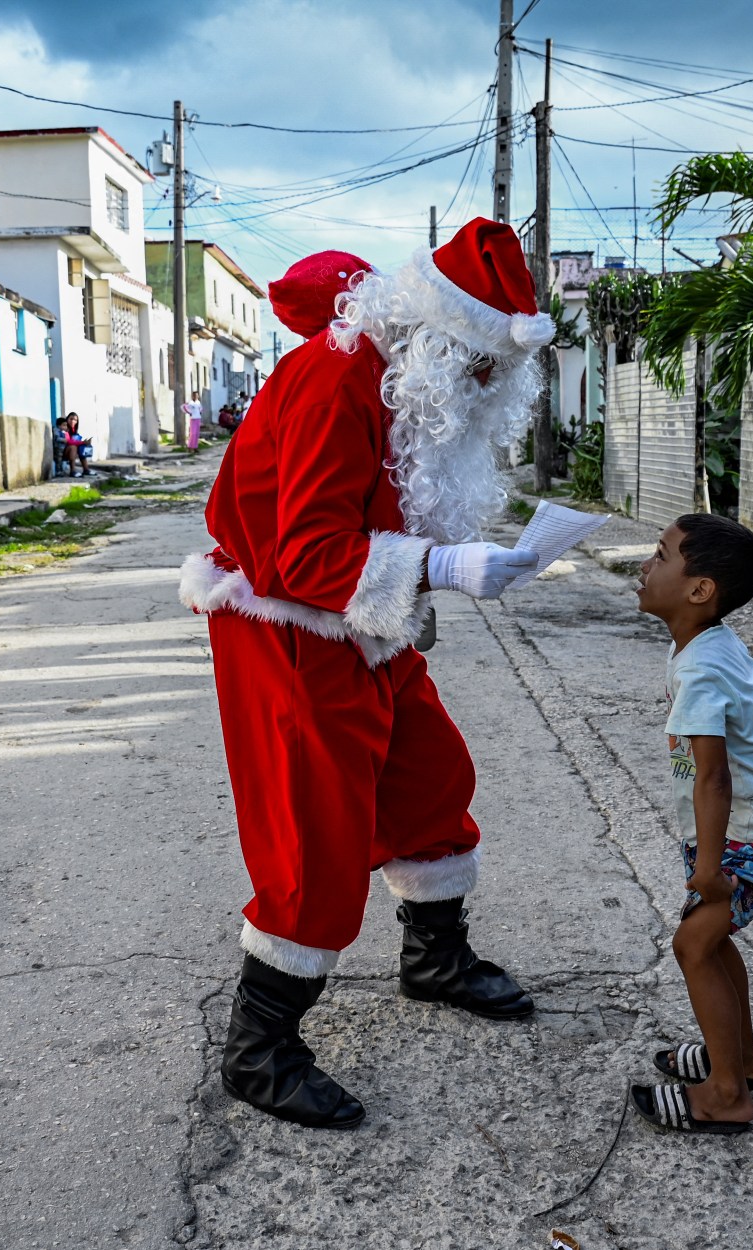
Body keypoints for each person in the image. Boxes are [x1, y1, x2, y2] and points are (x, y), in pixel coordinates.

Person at [178, 221, 556, 1130]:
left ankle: (435, 959)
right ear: (433, 334)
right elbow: (303, 554)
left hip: (361, 627)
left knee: (428, 777)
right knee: (314, 835)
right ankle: (258, 1047)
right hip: (287, 628)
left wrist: (443, 563)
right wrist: (446, 568)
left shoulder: (399, 383)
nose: (480, 387)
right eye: (475, 364)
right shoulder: (337, 378)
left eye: (494, 374)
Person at [630, 514, 753, 1134]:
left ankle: (725, 1095)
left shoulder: (701, 667)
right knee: (711, 940)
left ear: (699, 591)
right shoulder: (700, 642)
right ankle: (740, 1060)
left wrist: (710, 870)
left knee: (693, 944)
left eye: (661, 555)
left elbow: (714, 778)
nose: (645, 564)